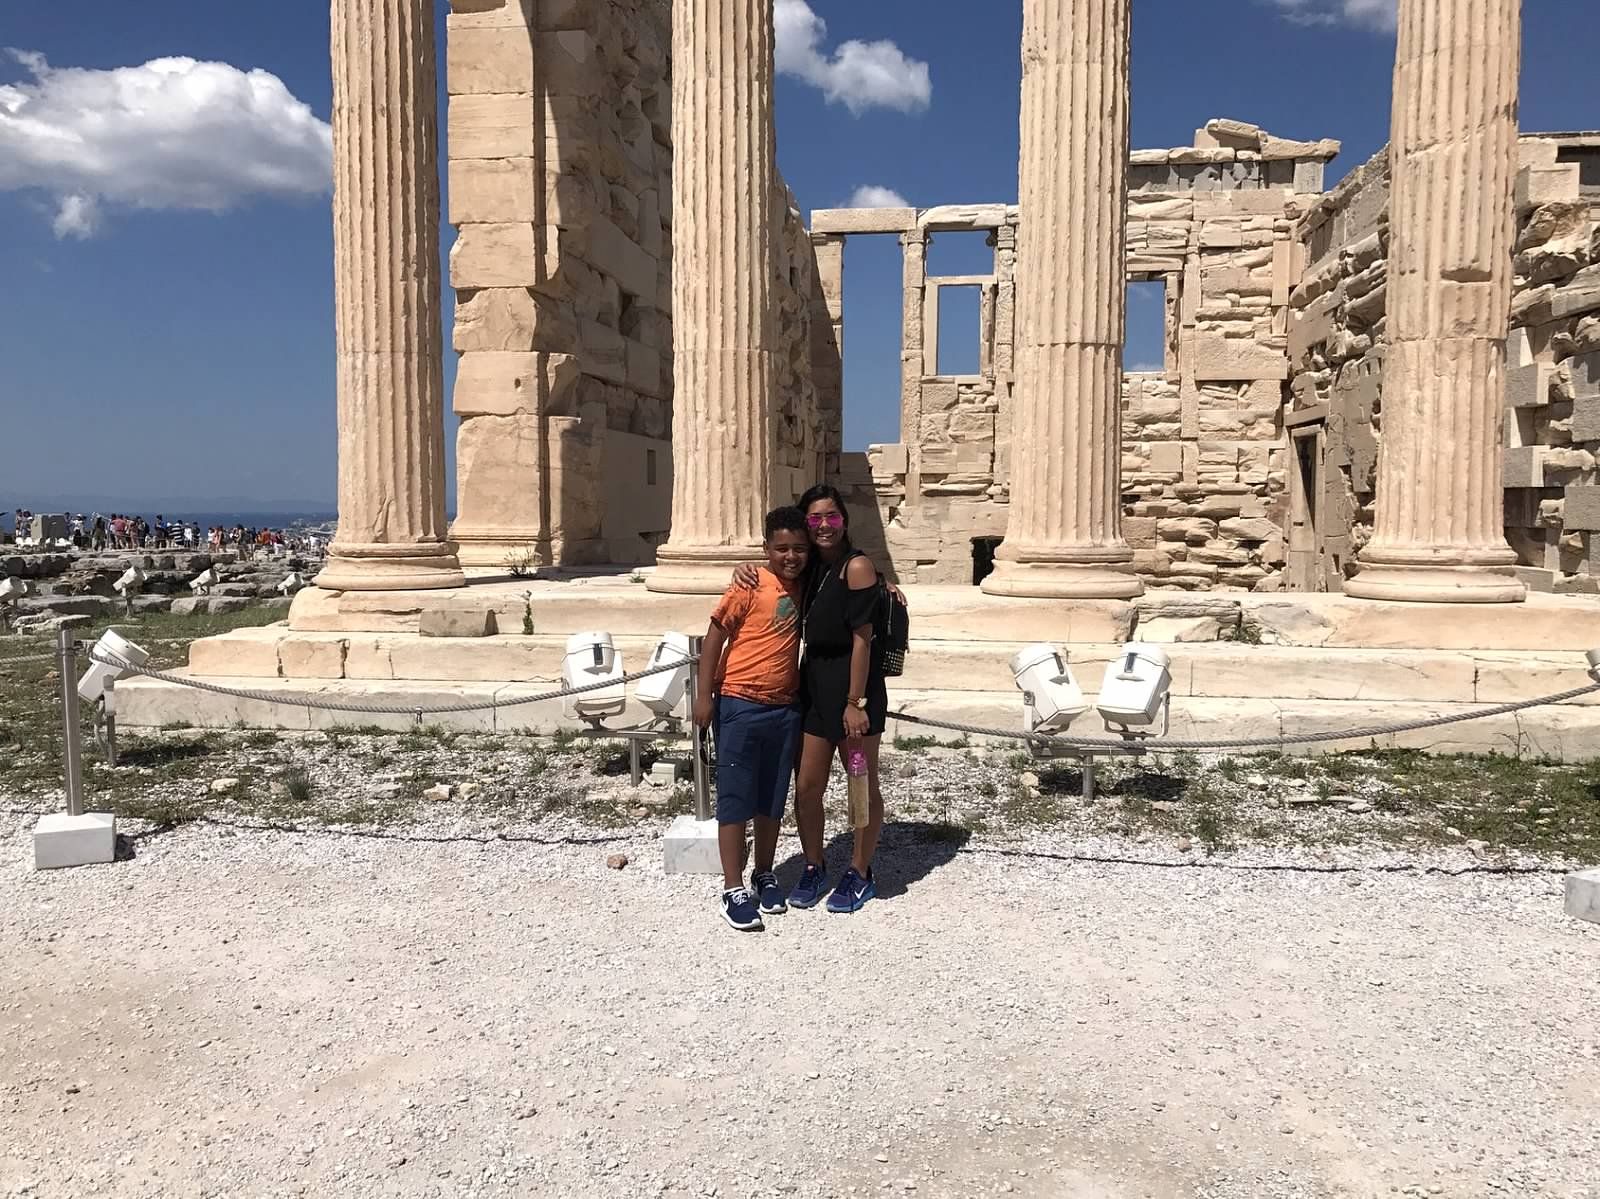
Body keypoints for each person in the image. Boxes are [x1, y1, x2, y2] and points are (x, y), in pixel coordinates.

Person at [734, 484, 890, 914]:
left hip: (853, 698)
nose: (824, 525)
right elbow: (774, 567)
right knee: (806, 788)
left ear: (845, 520)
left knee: (859, 786)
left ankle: (861, 873)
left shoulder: (856, 567)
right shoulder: (810, 571)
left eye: (831, 516)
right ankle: (814, 863)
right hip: (814, 694)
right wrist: (742, 570)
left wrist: (854, 703)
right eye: (815, 519)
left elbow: (863, 640)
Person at [694, 506, 810, 932]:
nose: (790, 556)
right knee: (735, 797)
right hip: (739, 702)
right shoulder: (749, 584)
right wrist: (705, 697)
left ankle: (764, 871)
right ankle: (732, 886)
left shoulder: (807, 587)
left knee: (770, 798)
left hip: (784, 706)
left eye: (799, 548)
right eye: (781, 548)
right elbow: (713, 640)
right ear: (766, 549)